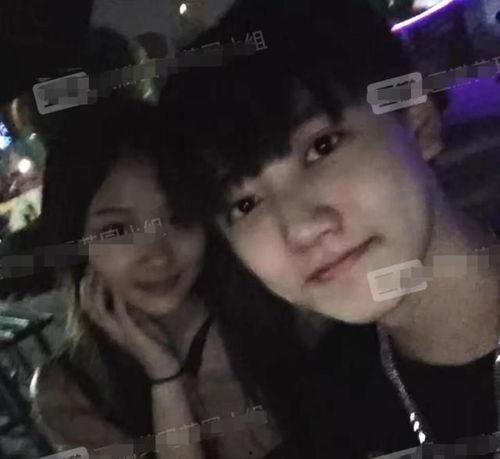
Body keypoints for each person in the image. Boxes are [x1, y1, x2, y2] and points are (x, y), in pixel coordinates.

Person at [160, 0, 500, 456]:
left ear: (417, 122)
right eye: (244, 204)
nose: (300, 229)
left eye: (322, 146)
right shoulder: (330, 414)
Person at [28, 100, 283, 459]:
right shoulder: (69, 391)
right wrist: (166, 382)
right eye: (117, 229)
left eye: (178, 216)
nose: (159, 256)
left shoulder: (284, 313)